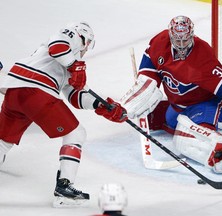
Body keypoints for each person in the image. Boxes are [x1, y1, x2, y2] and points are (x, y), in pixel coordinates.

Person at [120, 15, 222, 173]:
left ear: (192, 35)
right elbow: (149, 74)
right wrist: (128, 103)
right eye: (178, 40)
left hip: (206, 104)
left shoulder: (202, 55)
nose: (182, 45)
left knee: (188, 135)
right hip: (178, 106)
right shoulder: (159, 43)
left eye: (186, 40)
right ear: (170, 36)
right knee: (157, 117)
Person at [0, 21, 128, 207]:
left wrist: (102, 106)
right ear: (84, 38)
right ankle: (64, 190)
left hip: (15, 91)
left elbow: (74, 96)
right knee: (76, 134)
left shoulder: (69, 62)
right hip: (37, 91)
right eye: (87, 46)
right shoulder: (72, 36)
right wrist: (75, 65)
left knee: (3, 139)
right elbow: (57, 46)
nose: (85, 52)